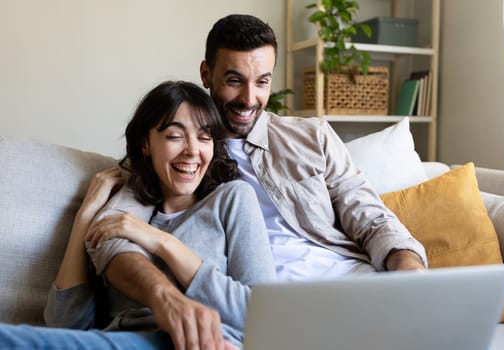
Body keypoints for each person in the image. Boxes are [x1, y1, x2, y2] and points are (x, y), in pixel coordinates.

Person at [93, 13, 428, 350]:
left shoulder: (312, 137)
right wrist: (164, 296)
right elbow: (114, 239)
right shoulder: (180, 158)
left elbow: (371, 216)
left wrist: (408, 268)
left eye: (262, 81)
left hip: (352, 290)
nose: (249, 98)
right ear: (206, 74)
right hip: (265, 311)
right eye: (235, 80)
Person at [0, 80, 275, 350]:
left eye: (204, 137)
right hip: (128, 338)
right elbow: (64, 322)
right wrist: (84, 218)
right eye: (175, 136)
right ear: (145, 143)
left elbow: (267, 313)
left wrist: (163, 243)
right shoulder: (125, 213)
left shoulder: (232, 198)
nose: (192, 150)